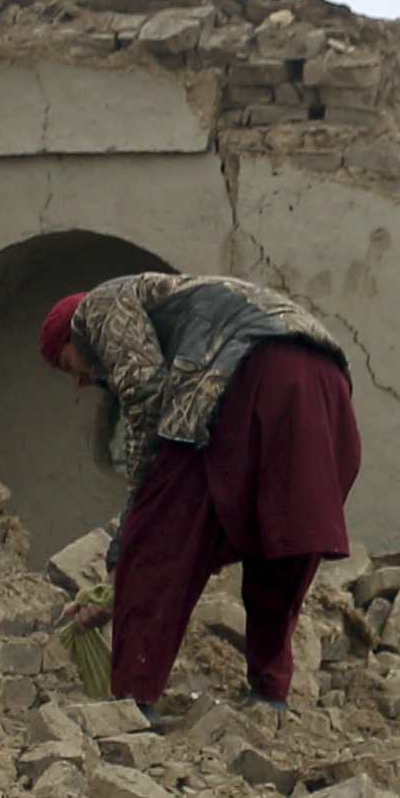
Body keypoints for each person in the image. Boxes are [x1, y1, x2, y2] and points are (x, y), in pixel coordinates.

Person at [42, 271, 363, 715]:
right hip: (324, 387)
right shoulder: (163, 299)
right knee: (281, 543)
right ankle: (269, 695)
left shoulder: (96, 306)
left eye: (66, 363)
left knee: (158, 548)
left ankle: (134, 699)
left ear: (72, 333)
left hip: (243, 372)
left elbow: (147, 389)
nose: (78, 379)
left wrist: (135, 524)